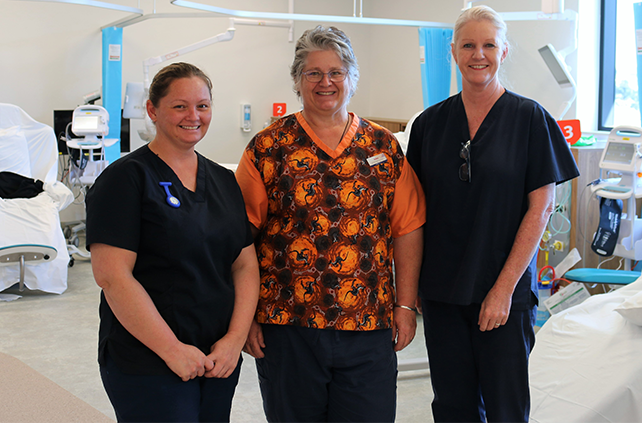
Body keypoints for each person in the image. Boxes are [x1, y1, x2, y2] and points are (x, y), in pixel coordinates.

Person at [235, 25, 426, 422]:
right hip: (288, 325)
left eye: (336, 72)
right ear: (297, 81)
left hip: (368, 323)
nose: (326, 82)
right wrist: (246, 315)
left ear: (352, 78)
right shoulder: (268, 149)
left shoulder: (384, 147)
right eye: (313, 73)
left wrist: (405, 306)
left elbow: (407, 227)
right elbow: (239, 239)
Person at [406, 5, 580, 422]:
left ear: (503, 52)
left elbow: (540, 209)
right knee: (452, 407)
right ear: (453, 51)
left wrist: (502, 291)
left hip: (503, 291)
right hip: (443, 292)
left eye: (488, 45)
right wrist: (409, 294)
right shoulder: (430, 125)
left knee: (506, 407)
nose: (477, 54)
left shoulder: (530, 119)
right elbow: (413, 213)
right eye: (468, 45)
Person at [86, 62, 260, 423]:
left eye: (203, 105)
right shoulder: (125, 179)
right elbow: (113, 277)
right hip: (147, 358)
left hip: (216, 357)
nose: (193, 116)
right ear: (152, 110)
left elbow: (244, 264)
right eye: (180, 106)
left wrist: (233, 340)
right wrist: (172, 350)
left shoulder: (224, 180)